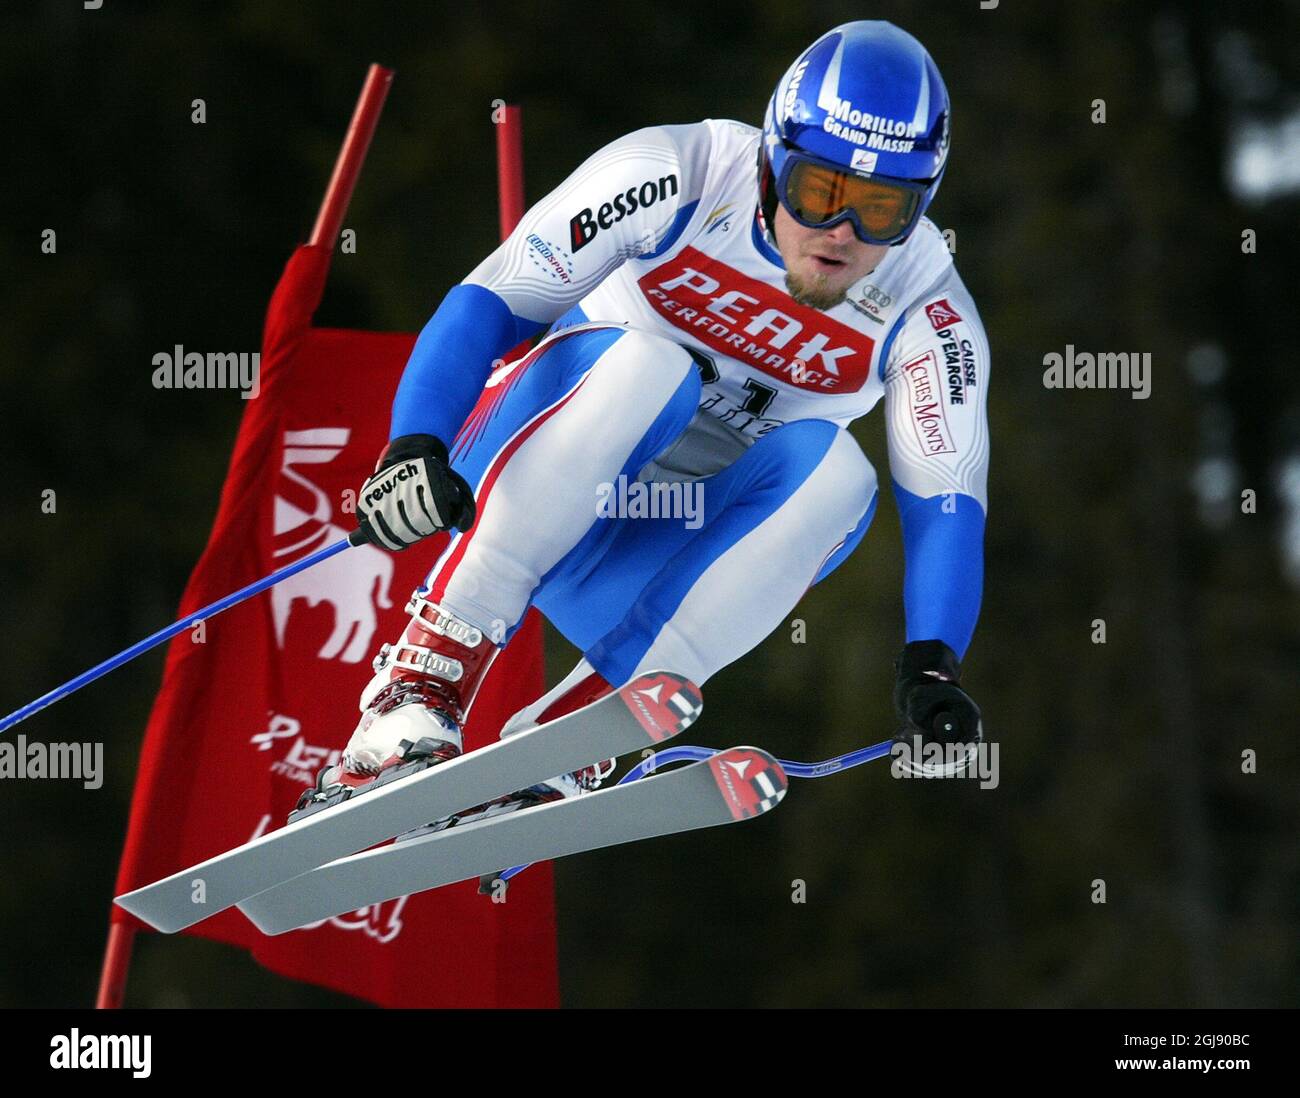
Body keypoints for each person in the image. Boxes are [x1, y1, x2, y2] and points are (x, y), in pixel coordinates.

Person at [297, 19, 988, 820]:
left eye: (882, 209)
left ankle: (571, 743)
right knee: (653, 369)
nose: (843, 234)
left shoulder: (927, 305)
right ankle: (418, 686)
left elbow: (946, 501)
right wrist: (415, 442)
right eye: (819, 193)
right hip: (512, 486)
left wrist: (933, 664)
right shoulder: (678, 171)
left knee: (843, 476)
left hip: (644, 561)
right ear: (771, 162)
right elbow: (493, 298)